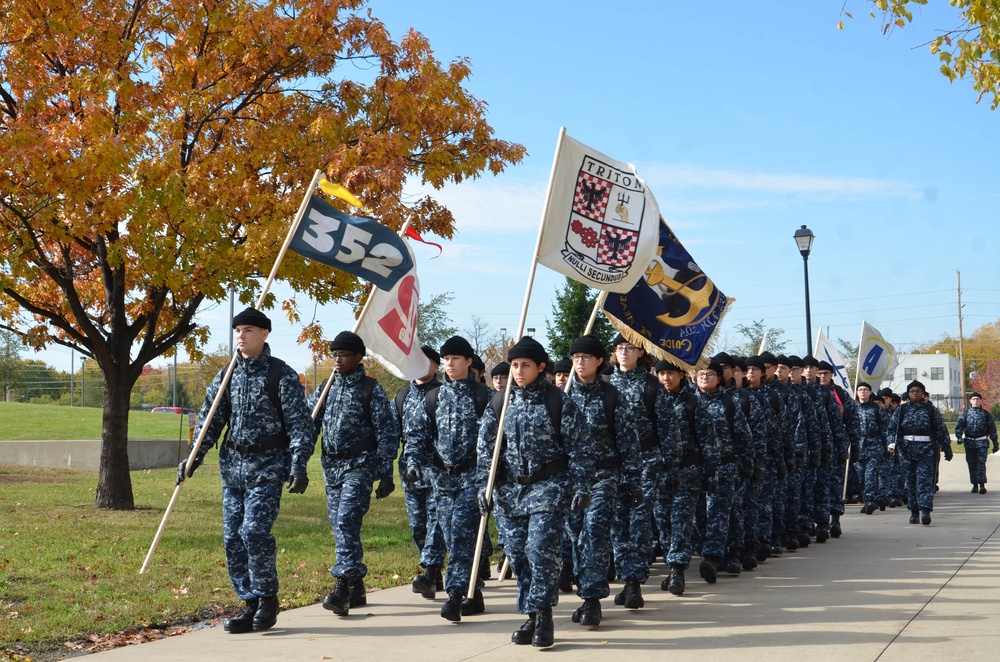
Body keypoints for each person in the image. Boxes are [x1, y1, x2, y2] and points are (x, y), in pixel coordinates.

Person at [178, 308, 315, 633]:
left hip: (267, 467)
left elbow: (300, 425)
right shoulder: (227, 374)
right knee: (232, 538)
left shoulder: (281, 375)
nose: (241, 335)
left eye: (249, 330)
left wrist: (299, 462)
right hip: (233, 468)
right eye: (238, 329)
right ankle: (249, 602)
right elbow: (211, 419)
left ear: (264, 334)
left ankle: (267, 598)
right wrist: (193, 456)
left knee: (253, 532)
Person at [477, 336, 595, 648]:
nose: (518, 371)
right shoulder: (500, 403)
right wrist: (482, 486)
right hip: (509, 491)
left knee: (540, 549)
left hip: (549, 488)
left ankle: (544, 614)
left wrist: (582, 486)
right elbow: (486, 451)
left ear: (541, 367)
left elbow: (581, 449)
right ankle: (529, 613)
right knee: (517, 555)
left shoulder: (559, 402)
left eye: (525, 365)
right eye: (514, 365)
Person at [403, 335, 493, 621]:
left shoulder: (484, 397)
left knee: (463, 532)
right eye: (446, 359)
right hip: (441, 479)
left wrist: (488, 477)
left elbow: (493, 440)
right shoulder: (434, 396)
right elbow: (417, 433)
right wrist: (414, 462)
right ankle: (473, 591)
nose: (450, 364)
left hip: (472, 478)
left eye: (455, 358)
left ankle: (455, 596)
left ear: (469, 361)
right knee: (452, 536)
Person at [310, 330, 399, 616]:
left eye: (343, 355)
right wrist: (296, 462)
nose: (337, 360)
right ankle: (357, 582)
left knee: (347, 519)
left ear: (358, 358)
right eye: (334, 355)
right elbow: (308, 425)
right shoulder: (326, 387)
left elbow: (387, 434)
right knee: (339, 524)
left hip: (360, 466)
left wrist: (386, 473)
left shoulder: (371, 390)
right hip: (331, 467)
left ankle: (341, 587)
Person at [564, 335, 641, 627]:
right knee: (575, 536)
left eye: (585, 357)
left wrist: (633, 482)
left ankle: (592, 600)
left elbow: (628, 444)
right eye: (575, 357)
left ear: (598, 361)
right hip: (571, 480)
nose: (579, 362)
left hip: (603, 477)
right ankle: (585, 589)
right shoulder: (563, 396)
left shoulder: (612, 397)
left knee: (594, 533)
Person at [608, 334, 665, 609]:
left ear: (640, 353)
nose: (624, 353)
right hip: (614, 464)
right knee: (618, 524)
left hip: (646, 461)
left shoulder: (652, 386)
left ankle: (634, 583)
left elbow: (667, 429)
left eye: (629, 348)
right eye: (620, 348)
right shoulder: (605, 384)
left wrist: (670, 466)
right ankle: (625, 575)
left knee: (639, 522)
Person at [653, 360, 718, 595]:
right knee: (662, 521)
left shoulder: (693, 403)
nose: (666, 378)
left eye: (670, 373)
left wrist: (712, 473)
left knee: (681, 519)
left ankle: (677, 569)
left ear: (681, 375)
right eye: (661, 373)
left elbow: (708, 441)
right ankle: (673, 562)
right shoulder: (652, 401)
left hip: (688, 473)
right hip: (658, 473)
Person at [393, 346, 446, 600]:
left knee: (437, 523)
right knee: (418, 527)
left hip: (438, 473)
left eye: (426, 362)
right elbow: (393, 433)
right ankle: (434, 573)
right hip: (411, 474)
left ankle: (431, 570)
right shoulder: (402, 396)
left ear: (436, 366)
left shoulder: (442, 394)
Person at [889, 380, 952, 525]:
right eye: (912, 391)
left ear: (923, 393)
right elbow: (893, 430)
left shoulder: (931, 410)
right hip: (906, 451)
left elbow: (941, 429)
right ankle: (914, 511)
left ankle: (925, 510)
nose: (915, 393)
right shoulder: (901, 410)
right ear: (908, 393)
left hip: (926, 451)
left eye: (918, 391)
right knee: (910, 483)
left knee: (924, 481)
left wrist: (947, 447)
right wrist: (892, 444)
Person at [854, 382, 889, 514]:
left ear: (870, 392)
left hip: (874, 445)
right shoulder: (853, 408)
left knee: (870, 474)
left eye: (865, 390)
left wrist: (886, 447)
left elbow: (884, 428)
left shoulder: (876, 408)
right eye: (860, 390)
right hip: (858, 445)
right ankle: (866, 499)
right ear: (857, 392)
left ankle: (870, 500)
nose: (862, 392)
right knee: (861, 476)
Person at [955, 392, 998, 494]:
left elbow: (992, 429)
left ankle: (982, 484)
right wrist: (959, 437)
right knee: (971, 464)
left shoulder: (986, 414)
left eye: (977, 399)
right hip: (969, 442)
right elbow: (959, 427)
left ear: (980, 401)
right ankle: (974, 484)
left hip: (982, 442)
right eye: (973, 399)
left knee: (981, 463)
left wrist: (995, 443)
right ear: (970, 401)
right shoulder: (965, 414)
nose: (975, 401)